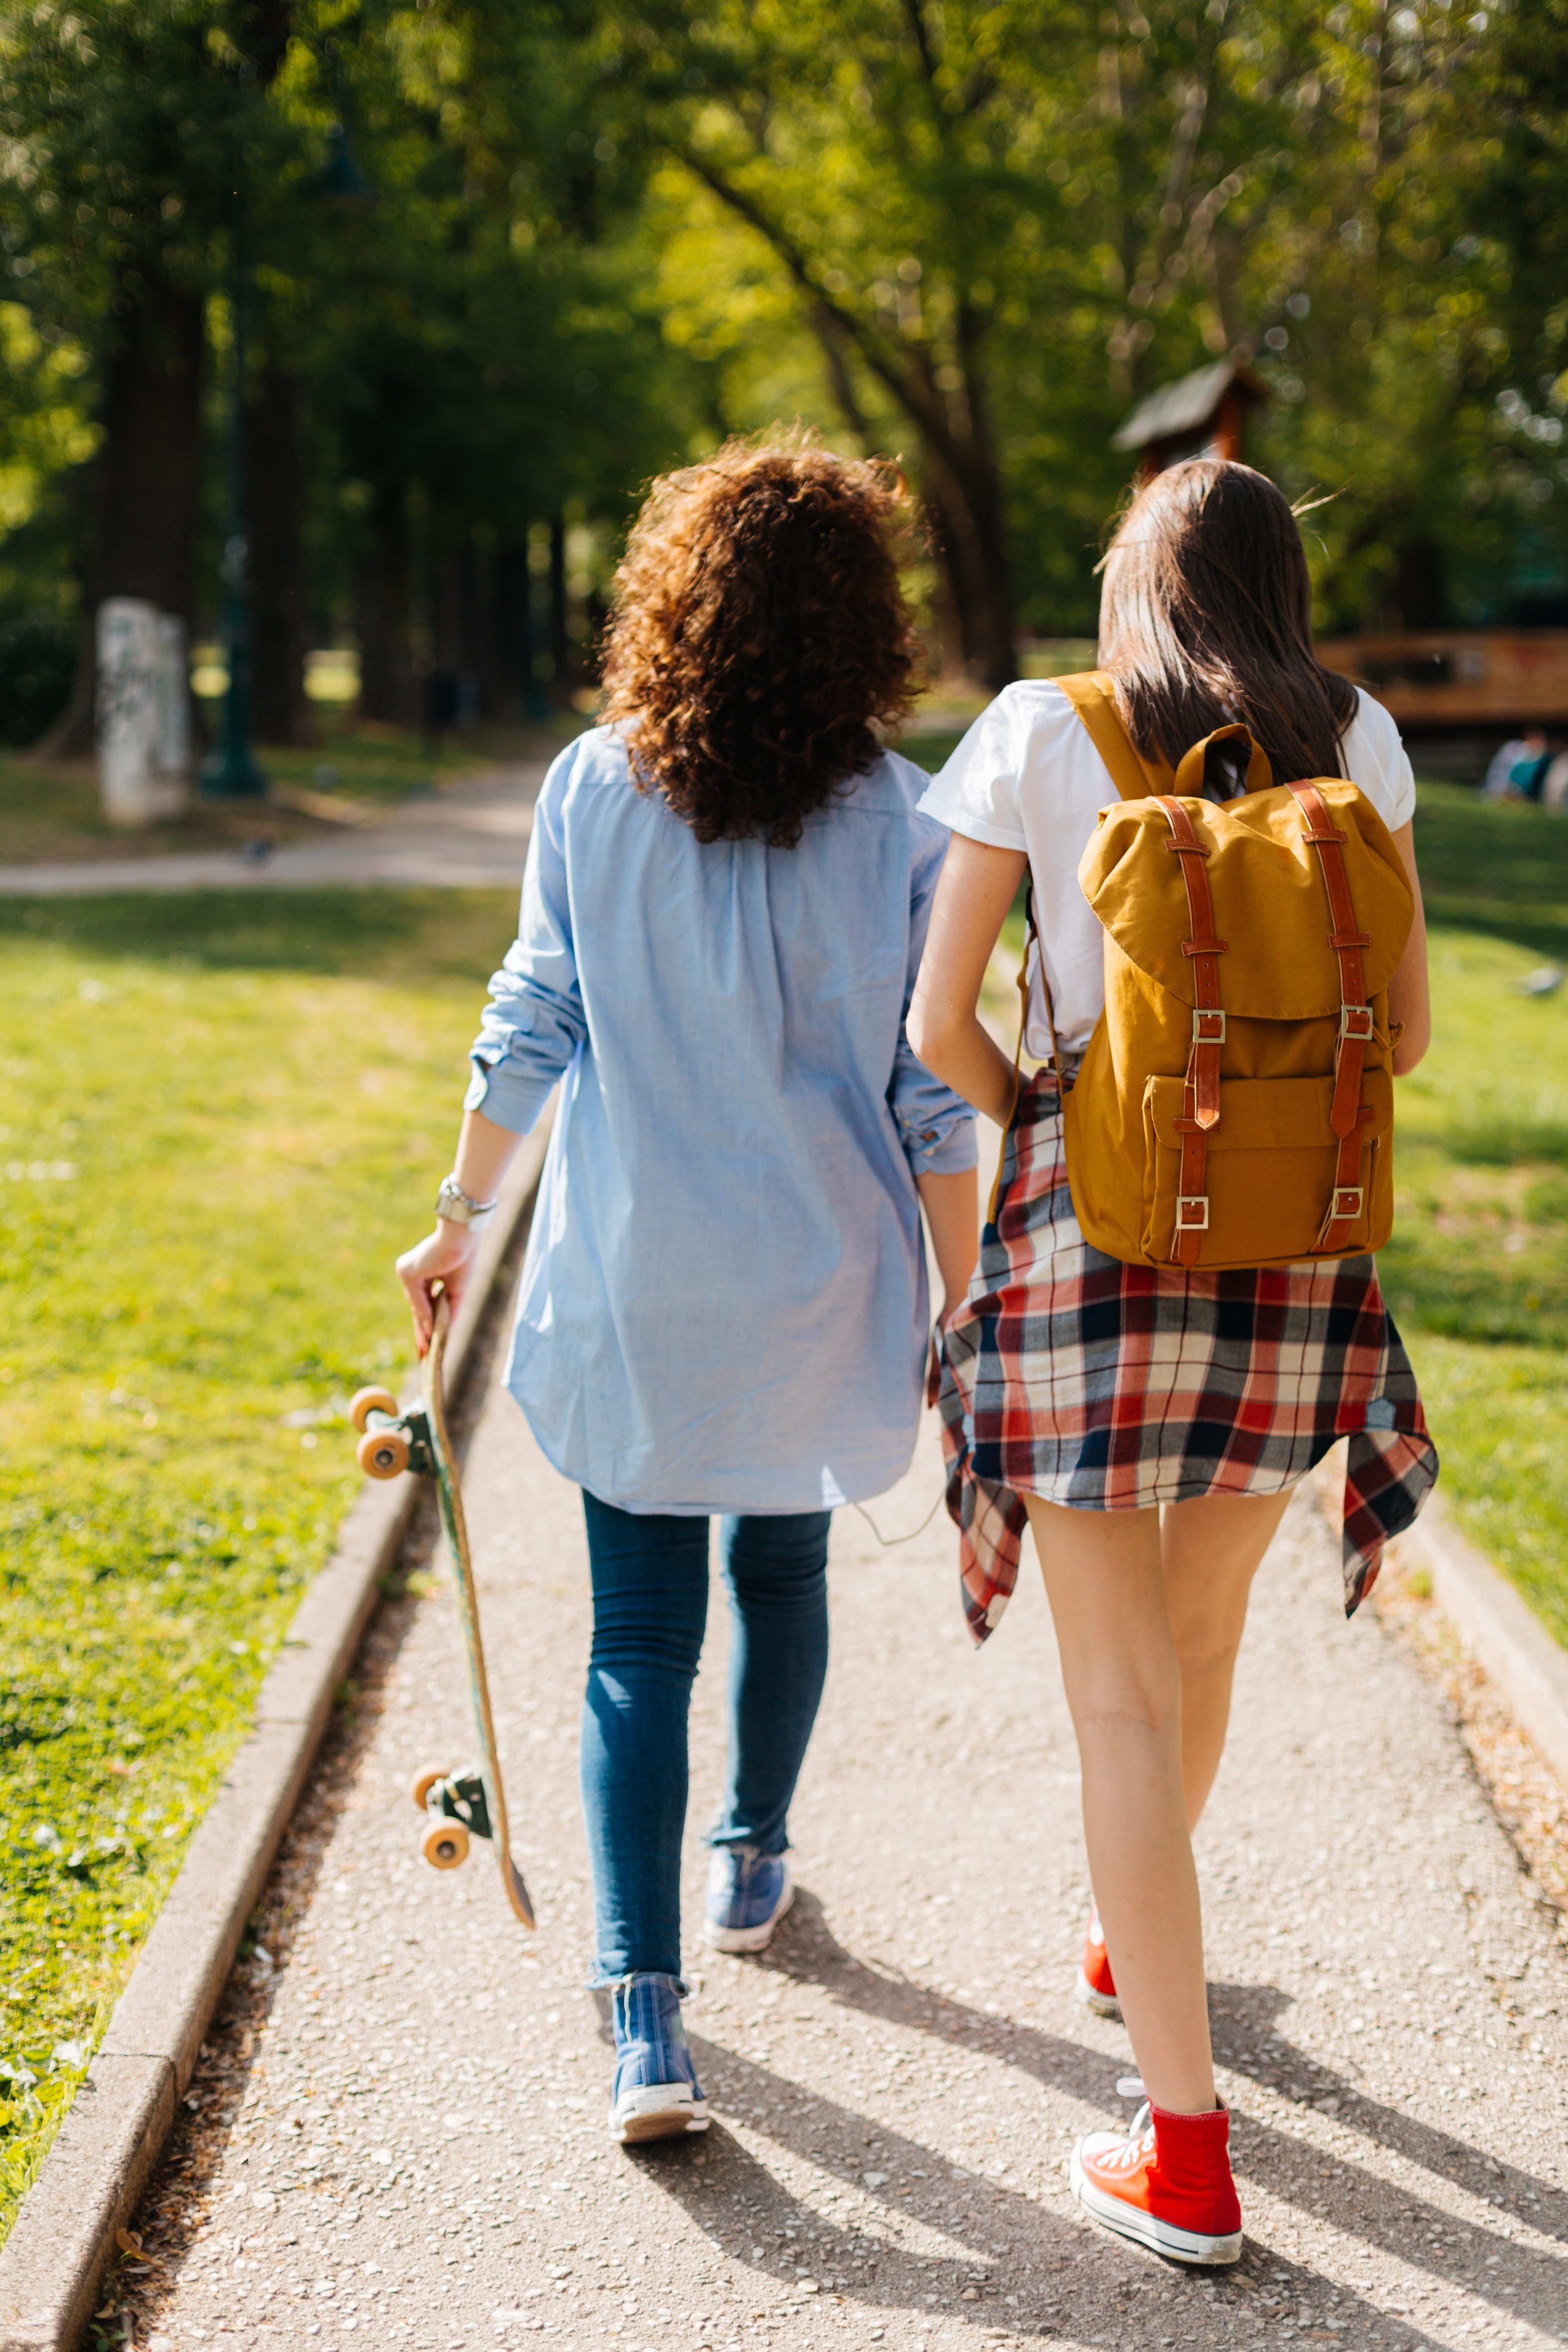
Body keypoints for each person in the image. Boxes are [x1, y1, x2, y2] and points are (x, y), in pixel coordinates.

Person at [395, 437, 978, 2145]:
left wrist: (458, 1216)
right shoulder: (896, 814)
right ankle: (753, 1850)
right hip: (819, 1277)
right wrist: (960, 1301)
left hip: (637, 1281)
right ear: (860, 622)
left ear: (676, 599)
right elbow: (929, 1090)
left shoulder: (592, 786)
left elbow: (531, 1019)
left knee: (634, 1635)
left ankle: (645, 2014)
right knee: (782, 1556)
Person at [907, 458, 1438, 2265]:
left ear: (1129, 578)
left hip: (1090, 1245)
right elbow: (1414, 1030)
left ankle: (1187, 2152)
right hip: (1297, 1259)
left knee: (1115, 1699)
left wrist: (1043, 1122)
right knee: (1197, 1649)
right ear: (1282, 578)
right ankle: (1138, 1943)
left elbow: (934, 1021)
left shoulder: (1036, 730)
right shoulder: (1355, 736)